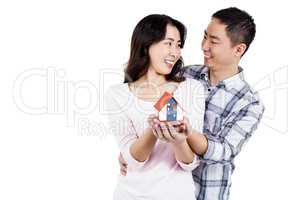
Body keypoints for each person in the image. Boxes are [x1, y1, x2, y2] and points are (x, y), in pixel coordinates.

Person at [118, 7, 265, 200]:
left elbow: (224, 151)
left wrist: (187, 133)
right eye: (205, 37)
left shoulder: (250, 103)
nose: (204, 46)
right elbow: (147, 99)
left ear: (238, 49)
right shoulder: (185, 75)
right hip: (164, 191)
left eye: (213, 41)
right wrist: (130, 150)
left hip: (208, 193)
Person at [105, 14, 205, 200]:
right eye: (168, 43)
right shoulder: (117, 94)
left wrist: (179, 140)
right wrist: (153, 130)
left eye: (179, 45)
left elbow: (190, 162)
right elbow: (132, 160)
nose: (175, 52)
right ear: (146, 44)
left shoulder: (191, 88)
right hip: (130, 194)